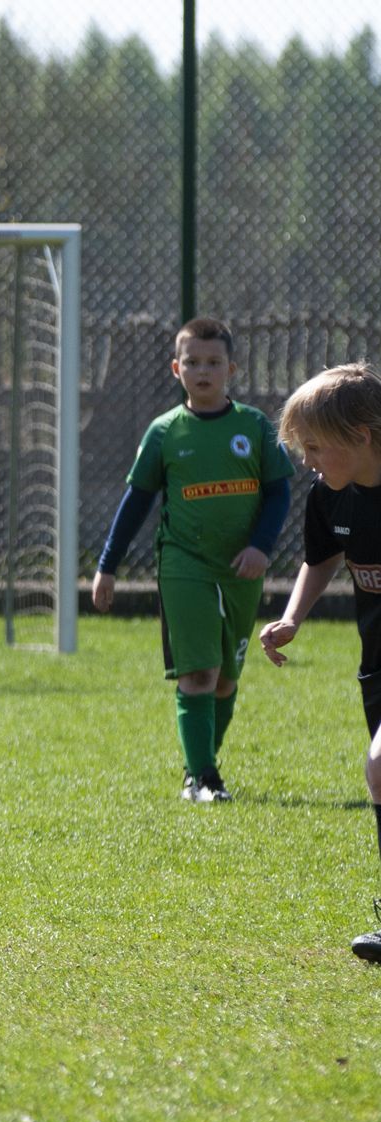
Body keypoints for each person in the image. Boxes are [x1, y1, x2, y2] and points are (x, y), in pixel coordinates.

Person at [91, 316, 293, 803]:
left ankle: (200, 771)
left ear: (232, 369)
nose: (204, 371)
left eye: (214, 363)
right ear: (176, 368)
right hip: (184, 565)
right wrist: (106, 566)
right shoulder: (164, 433)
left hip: (241, 569)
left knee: (225, 681)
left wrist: (261, 547)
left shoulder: (255, 427)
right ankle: (203, 778)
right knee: (198, 674)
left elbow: (280, 494)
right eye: (194, 363)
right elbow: (136, 503)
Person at [257, 363, 381, 963]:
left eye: (315, 447)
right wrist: (292, 617)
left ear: (361, 435)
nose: (307, 459)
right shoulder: (330, 495)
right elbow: (323, 556)